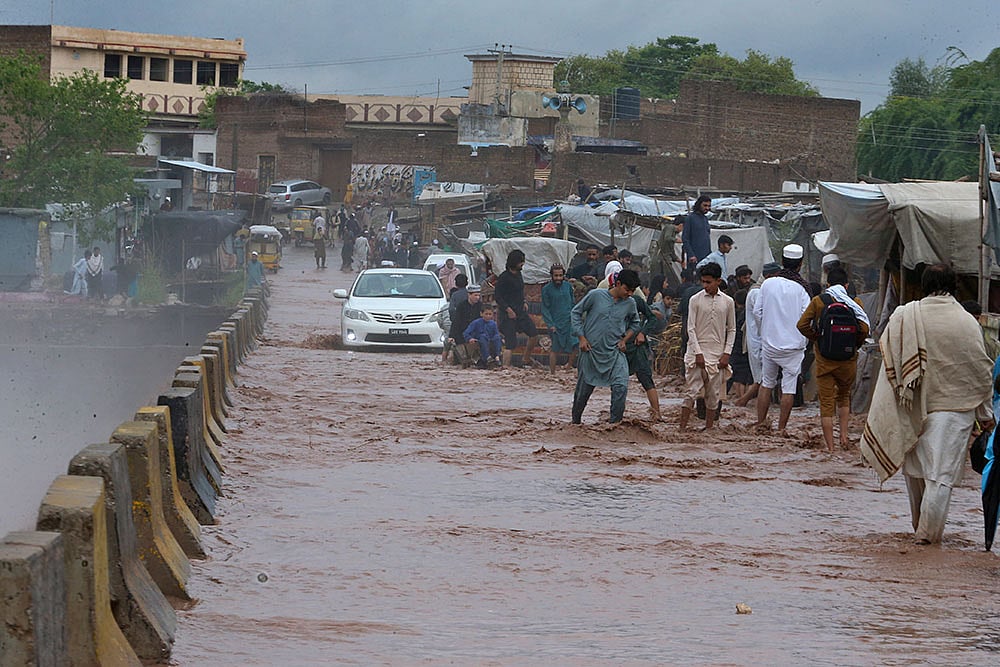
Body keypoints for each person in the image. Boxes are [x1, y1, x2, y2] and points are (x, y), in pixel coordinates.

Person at [861, 264, 994, 544]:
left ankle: (919, 530)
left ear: (923, 284)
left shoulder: (905, 315)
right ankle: (928, 537)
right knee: (940, 476)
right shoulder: (966, 321)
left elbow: (892, 366)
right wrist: (985, 415)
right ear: (954, 286)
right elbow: (979, 371)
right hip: (955, 411)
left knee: (915, 473)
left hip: (911, 406)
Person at [796, 267, 871, 451]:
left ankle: (830, 448)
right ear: (846, 285)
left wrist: (817, 338)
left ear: (827, 285)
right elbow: (864, 329)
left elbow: (802, 325)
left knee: (827, 403)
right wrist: (855, 345)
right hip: (848, 359)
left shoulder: (819, 301)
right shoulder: (855, 302)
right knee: (844, 397)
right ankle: (844, 438)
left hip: (825, 361)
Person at [570, 268, 641, 424]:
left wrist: (625, 340)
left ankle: (615, 425)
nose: (629, 293)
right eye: (627, 289)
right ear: (618, 283)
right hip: (591, 352)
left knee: (621, 387)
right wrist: (581, 338)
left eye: (632, 291)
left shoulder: (630, 303)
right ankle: (575, 423)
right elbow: (576, 313)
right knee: (582, 393)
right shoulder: (596, 295)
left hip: (615, 353)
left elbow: (636, 324)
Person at [754, 244, 811, 435]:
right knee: (789, 387)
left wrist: (766, 332)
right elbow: (807, 317)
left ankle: (761, 424)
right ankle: (781, 429)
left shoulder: (768, 284)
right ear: (800, 264)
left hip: (770, 344)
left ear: (782, 261)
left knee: (767, 382)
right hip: (794, 347)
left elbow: (757, 312)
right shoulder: (803, 289)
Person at [680, 263, 736, 430]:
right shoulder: (695, 300)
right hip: (696, 352)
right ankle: (682, 429)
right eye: (703, 282)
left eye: (708, 282)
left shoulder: (728, 302)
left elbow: (732, 329)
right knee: (691, 391)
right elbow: (690, 328)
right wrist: (697, 353)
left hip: (717, 354)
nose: (705, 286)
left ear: (718, 281)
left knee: (714, 395)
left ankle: (709, 429)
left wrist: (727, 353)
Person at [736, 262, 781, 407]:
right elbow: (760, 315)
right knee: (763, 379)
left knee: (763, 378)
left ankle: (745, 403)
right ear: (769, 277)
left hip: (761, 340)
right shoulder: (757, 292)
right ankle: (744, 402)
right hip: (758, 341)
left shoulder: (761, 290)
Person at [626, 278, 666, 421]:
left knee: (646, 379)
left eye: (630, 290)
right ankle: (617, 415)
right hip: (619, 348)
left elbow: (652, 318)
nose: (627, 293)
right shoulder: (610, 302)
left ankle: (657, 414)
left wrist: (643, 332)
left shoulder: (636, 301)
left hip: (637, 347)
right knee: (618, 382)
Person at [494, 249, 539, 368]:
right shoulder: (504, 277)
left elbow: (520, 290)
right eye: (521, 262)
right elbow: (498, 296)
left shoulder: (519, 275)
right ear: (514, 262)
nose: (523, 264)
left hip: (520, 312)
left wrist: (523, 301)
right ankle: (505, 368)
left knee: (534, 334)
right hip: (508, 315)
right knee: (510, 343)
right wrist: (508, 309)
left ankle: (526, 358)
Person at [541, 263, 578, 373]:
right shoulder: (546, 289)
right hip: (555, 323)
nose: (558, 278)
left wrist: (575, 318)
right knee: (555, 349)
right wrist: (550, 324)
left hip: (569, 321)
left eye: (560, 275)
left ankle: (568, 368)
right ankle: (552, 373)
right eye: (556, 276)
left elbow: (572, 303)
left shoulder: (568, 286)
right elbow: (545, 308)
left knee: (575, 345)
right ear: (551, 276)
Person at [449, 282, 482, 367]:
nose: (477, 298)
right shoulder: (461, 306)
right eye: (475, 295)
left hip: (476, 334)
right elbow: (456, 321)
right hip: (461, 334)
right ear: (469, 295)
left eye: (479, 295)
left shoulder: (481, 306)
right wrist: (451, 335)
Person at [463, 304, 503, 369]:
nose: (488, 316)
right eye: (486, 314)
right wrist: (470, 339)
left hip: (490, 341)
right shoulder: (476, 322)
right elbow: (466, 333)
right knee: (483, 336)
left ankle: (497, 356)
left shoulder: (493, 323)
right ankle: (487, 357)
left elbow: (496, 334)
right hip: (479, 341)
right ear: (481, 314)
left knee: (497, 337)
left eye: (490, 314)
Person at [682, 195, 712, 268]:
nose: (707, 208)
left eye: (709, 206)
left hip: (706, 257)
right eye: (705, 205)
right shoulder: (690, 218)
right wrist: (691, 254)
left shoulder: (705, 219)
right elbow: (685, 238)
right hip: (694, 258)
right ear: (699, 204)